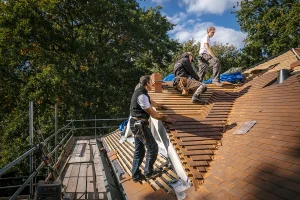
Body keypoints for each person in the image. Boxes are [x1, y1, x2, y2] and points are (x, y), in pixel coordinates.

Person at [130, 75, 176, 182]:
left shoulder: (141, 91)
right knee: (153, 147)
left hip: (135, 124)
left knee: (139, 150)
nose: (153, 84)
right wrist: (166, 118)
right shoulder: (142, 95)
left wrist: (160, 106)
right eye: (151, 82)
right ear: (147, 84)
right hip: (139, 125)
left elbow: (151, 102)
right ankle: (148, 173)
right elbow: (153, 114)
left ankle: (136, 175)